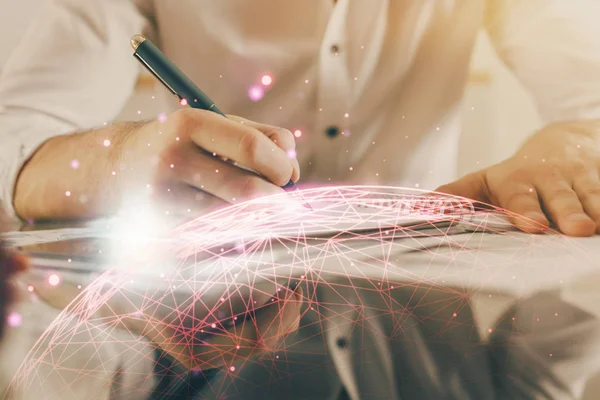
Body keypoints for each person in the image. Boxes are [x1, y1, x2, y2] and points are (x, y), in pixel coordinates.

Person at [2, 0, 600, 399]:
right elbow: (15, 132)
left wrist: (573, 141)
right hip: (198, 348)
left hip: (427, 356)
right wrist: (116, 160)